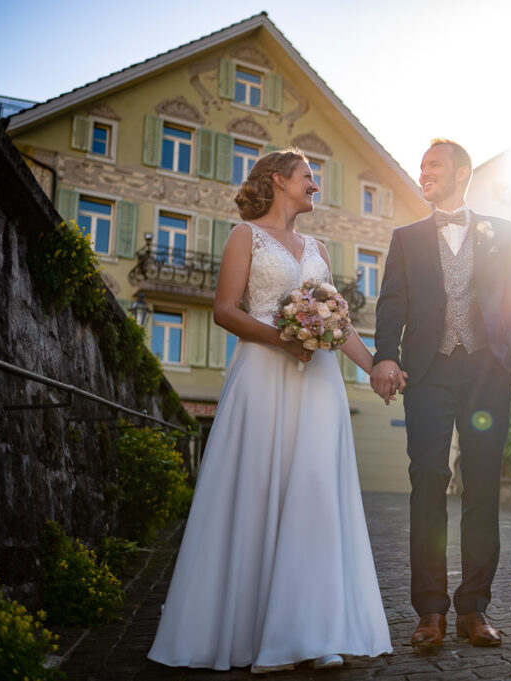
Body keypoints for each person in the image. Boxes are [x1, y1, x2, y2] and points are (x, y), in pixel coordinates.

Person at [147, 150, 392, 673]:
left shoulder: (320, 249)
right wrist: (284, 338)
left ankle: (313, 630)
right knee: (258, 490)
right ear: (280, 181)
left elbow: (338, 322)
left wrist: (374, 368)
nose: (316, 185)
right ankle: (252, 631)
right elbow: (225, 310)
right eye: (309, 176)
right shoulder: (245, 236)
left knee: (315, 496)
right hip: (262, 376)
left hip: (318, 386)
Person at [370, 139, 511, 648]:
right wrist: (387, 355)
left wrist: (508, 361)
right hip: (429, 372)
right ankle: (430, 612)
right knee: (428, 484)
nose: (424, 173)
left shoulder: (503, 233)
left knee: (483, 488)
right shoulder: (406, 238)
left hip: (487, 371)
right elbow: (391, 303)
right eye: (420, 167)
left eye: (433, 165)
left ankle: (475, 608)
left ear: (462, 172)